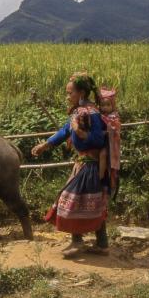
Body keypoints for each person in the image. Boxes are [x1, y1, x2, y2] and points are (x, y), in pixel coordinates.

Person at [31, 72, 109, 258]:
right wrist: (46, 144)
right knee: (93, 202)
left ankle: (77, 242)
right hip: (83, 163)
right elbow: (65, 130)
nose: (67, 96)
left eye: (70, 93)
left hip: (90, 165)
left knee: (70, 199)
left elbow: (98, 138)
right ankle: (102, 244)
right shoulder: (79, 111)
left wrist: (81, 134)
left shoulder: (91, 113)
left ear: (81, 93)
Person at [98, 87, 121, 199]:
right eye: (102, 105)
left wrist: (105, 130)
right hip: (102, 141)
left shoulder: (114, 117)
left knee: (103, 155)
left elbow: (113, 129)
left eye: (107, 105)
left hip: (110, 144)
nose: (105, 108)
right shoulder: (98, 115)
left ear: (112, 105)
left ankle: (100, 177)